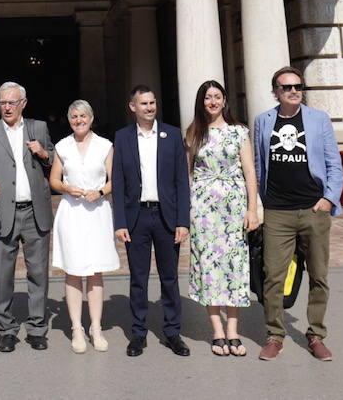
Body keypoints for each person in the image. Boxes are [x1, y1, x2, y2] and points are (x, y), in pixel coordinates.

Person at [252, 66, 343, 363]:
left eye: (298, 86)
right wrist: (258, 204)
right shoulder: (263, 121)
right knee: (273, 278)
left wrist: (329, 199)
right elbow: (257, 164)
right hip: (278, 211)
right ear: (275, 92)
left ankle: (316, 333)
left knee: (319, 275)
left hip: (313, 209)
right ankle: (275, 335)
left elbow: (334, 164)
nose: (294, 90)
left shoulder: (319, 120)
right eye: (287, 87)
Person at [0, 80, 56, 352]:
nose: (7, 107)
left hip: (35, 211)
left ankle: (36, 328)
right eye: (2, 103)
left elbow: (55, 160)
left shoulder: (38, 128)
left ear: (23, 103)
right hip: (2, 212)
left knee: (38, 273)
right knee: (3, 276)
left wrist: (44, 153)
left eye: (12, 102)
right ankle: (6, 329)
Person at [111, 85, 191, 358]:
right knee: (138, 279)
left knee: (170, 279)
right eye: (143, 103)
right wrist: (119, 222)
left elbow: (182, 180)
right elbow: (118, 182)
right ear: (132, 107)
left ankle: (172, 333)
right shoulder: (122, 138)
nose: (149, 107)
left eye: (152, 103)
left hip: (166, 217)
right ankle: (138, 333)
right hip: (136, 218)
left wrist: (183, 221)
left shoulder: (172, 135)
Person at [185, 79, 260, 357]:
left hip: (234, 207)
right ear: (201, 102)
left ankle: (233, 330)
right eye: (207, 97)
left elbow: (250, 172)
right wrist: (188, 209)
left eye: (217, 96)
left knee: (234, 267)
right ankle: (216, 330)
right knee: (208, 266)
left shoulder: (239, 132)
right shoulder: (194, 133)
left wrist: (253, 209)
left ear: (225, 100)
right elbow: (188, 174)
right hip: (204, 208)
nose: (212, 102)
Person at [49, 99, 117, 354]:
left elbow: (115, 179)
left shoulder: (105, 145)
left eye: (83, 116)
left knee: (96, 271)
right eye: (74, 117)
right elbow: (54, 179)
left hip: (97, 211)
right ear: (70, 120)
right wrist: (67, 187)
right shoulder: (62, 146)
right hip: (72, 212)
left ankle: (96, 327)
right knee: (74, 270)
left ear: (91, 118)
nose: (78, 120)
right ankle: (77, 328)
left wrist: (100, 191)